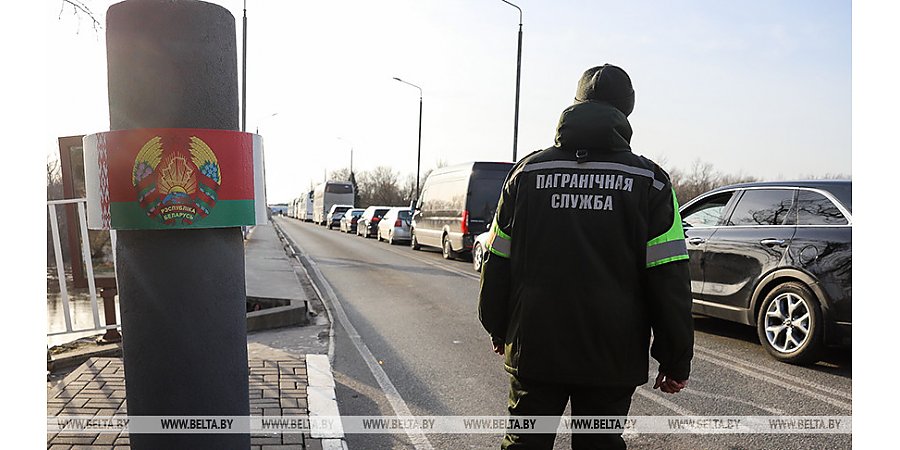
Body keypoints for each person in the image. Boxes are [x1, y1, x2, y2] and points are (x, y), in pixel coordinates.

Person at [478, 64, 694, 449]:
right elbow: (669, 277)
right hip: (612, 354)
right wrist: (675, 359)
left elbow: (497, 259)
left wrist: (498, 326)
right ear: (626, 111)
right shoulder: (652, 183)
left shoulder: (526, 173)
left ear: (576, 104)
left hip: (534, 348)